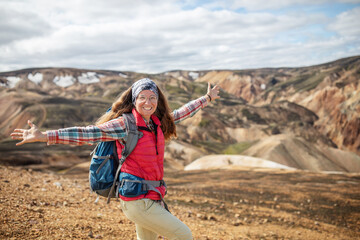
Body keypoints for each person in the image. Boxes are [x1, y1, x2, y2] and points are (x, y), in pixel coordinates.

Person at [10, 78, 220, 240]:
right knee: (184, 235)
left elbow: (182, 113)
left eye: (152, 98)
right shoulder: (124, 125)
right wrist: (45, 135)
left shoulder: (156, 122)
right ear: (135, 100)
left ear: (158, 100)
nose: (148, 102)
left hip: (151, 197)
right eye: (143, 97)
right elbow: (88, 133)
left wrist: (207, 98)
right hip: (137, 200)